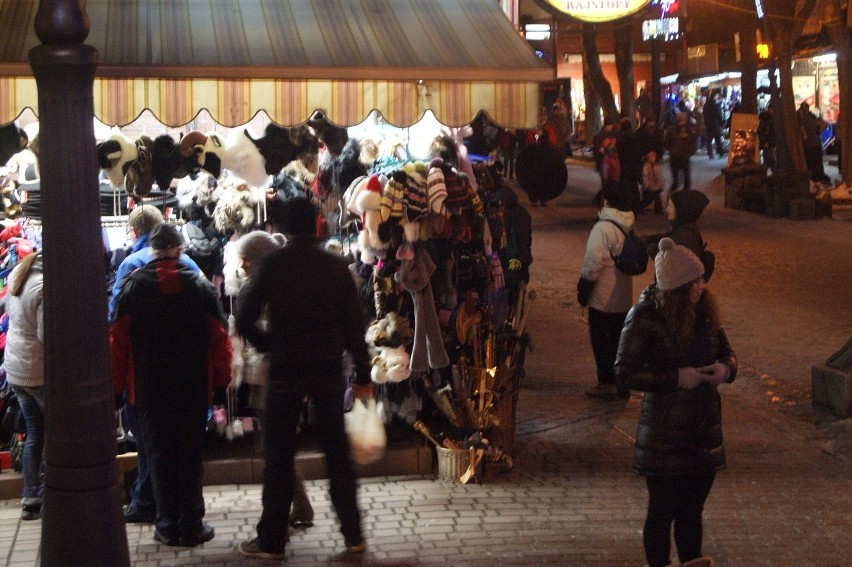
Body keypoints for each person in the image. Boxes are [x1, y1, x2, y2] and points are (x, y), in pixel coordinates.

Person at [236, 197, 374, 560]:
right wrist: (362, 371)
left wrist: (268, 343)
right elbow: (354, 326)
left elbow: (244, 317)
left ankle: (272, 540)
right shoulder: (335, 266)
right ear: (316, 224)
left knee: (279, 458)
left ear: (281, 227)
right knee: (337, 456)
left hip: (285, 370)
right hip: (327, 368)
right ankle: (353, 534)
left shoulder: (271, 265)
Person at [615, 237, 737, 567]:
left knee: (692, 510)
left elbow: (728, 353)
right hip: (664, 436)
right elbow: (623, 374)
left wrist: (725, 369)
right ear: (677, 287)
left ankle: (691, 561)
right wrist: (675, 378)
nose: (701, 285)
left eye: (701, 278)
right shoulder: (645, 317)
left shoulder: (706, 313)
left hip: (703, 432)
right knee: (662, 511)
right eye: (694, 281)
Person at [111, 223, 232, 547]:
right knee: (190, 456)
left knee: (159, 455)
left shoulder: (132, 287)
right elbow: (220, 340)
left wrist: (116, 389)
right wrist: (222, 384)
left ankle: (166, 524)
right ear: (180, 250)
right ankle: (192, 525)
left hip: (148, 389)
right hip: (193, 387)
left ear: (151, 250)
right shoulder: (200, 286)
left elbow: (117, 342)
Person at [108, 205, 202, 525]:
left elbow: (116, 324)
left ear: (136, 232)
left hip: (145, 373)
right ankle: (186, 515)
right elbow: (213, 329)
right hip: (189, 373)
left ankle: (152, 506)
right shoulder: (190, 266)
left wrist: (117, 385)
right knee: (185, 448)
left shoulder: (132, 267)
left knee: (152, 444)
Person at [228, 230, 314, 528]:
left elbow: (268, 334)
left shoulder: (271, 290)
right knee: (278, 449)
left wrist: (258, 342)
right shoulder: (273, 285)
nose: (243, 267)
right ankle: (301, 507)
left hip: (274, 378)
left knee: (276, 451)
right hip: (271, 376)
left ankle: (282, 521)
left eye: (246, 260)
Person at [576, 181, 635, 400]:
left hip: (603, 298)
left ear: (607, 201)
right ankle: (620, 381)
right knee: (619, 342)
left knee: (602, 341)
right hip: (623, 297)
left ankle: (606, 382)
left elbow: (593, 263)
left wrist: (583, 290)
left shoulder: (603, 228)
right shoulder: (628, 224)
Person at [4, 250, 45, 521]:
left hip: (16, 368)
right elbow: (46, 334)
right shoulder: (43, 287)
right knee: (58, 433)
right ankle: (57, 491)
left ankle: (31, 497)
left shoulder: (16, 274)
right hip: (36, 370)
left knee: (34, 432)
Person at [797, 101, 830, 184]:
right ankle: (819, 176)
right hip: (815, 143)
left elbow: (803, 131)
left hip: (809, 144)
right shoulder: (812, 117)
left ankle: (815, 177)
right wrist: (818, 132)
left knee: (812, 162)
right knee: (817, 161)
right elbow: (823, 124)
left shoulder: (802, 119)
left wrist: (805, 138)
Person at [665, 112, 697, 193]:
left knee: (687, 180)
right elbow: (666, 142)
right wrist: (672, 150)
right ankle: (672, 196)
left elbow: (693, 142)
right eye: (681, 119)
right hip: (674, 158)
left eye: (684, 119)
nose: (683, 121)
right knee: (675, 181)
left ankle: (686, 197)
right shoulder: (672, 129)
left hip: (685, 157)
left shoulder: (689, 129)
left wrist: (691, 151)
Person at [702, 91, 725, 159]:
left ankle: (710, 154)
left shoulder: (706, 104)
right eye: (717, 95)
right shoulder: (716, 104)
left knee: (709, 140)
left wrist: (706, 123)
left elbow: (704, 115)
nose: (718, 97)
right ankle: (721, 153)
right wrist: (722, 123)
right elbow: (719, 114)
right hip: (715, 124)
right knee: (718, 139)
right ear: (715, 96)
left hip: (709, 124)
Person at [757, 106, 776, 172]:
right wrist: (765, 142)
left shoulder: (771, 119)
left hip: (771, 143)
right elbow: (760, 131)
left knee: (771, 161)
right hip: (767, 144)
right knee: (770, 161)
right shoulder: (766, 119)